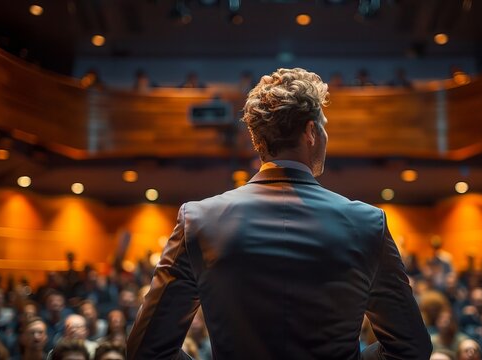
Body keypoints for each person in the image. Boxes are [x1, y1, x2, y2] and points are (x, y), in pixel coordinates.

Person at [127, 68, 431, 359]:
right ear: (311, 131)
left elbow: (147, 350)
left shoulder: (199, 220)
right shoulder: (367, 223)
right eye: (324, 124)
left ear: (257, 138)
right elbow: (411, 348)